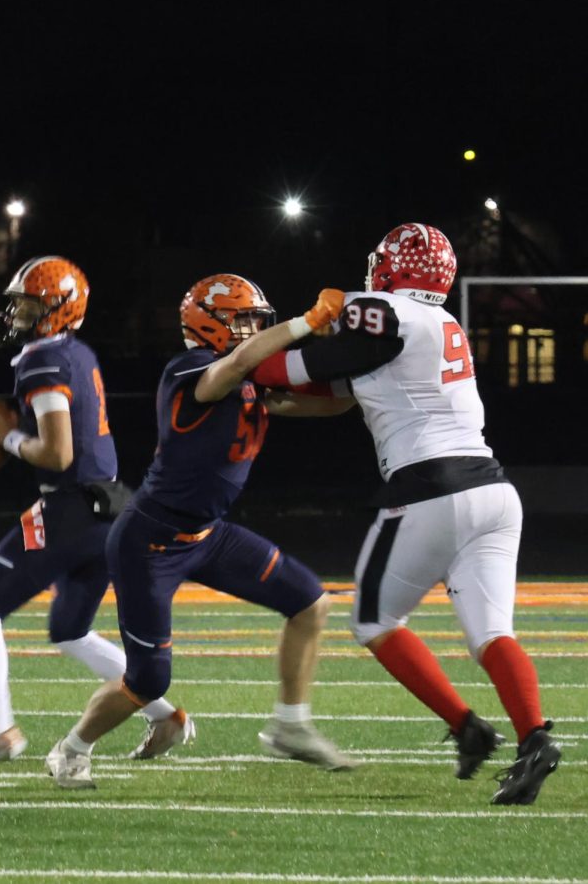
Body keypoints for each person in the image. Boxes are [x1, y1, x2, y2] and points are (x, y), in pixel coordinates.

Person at [251, 223, 560, 805]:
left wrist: (251, 365)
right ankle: (535, 738)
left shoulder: (382, 310)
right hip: (494, 491)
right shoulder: (442, 324)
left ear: (394, 268)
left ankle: (466, 726)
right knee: (493, 634)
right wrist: (284, 394)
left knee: (373, 620)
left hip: (428, 488)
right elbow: (346, 384)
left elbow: (304, 368)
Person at [46, 277, 356, 789]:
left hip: (207, 535)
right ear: (209, 323)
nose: (254, 328)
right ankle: (71, 749)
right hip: (150, 540)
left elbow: (328, 404)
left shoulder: (248, 375)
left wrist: (359, 367)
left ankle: (291, 725)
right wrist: (305, 323)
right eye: (245, 319)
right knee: (148, 680)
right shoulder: (188, 370)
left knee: (310, 602)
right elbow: (232, 368)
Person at [0, 256, 192, 765]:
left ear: (57, 307)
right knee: (70, 629)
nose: (18, 316)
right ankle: (164, 715)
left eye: (28, 306)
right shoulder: (75, 352)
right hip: (112, 504)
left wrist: (4, 436)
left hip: (73, 504)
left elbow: (57, 454)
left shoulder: (42, 359)